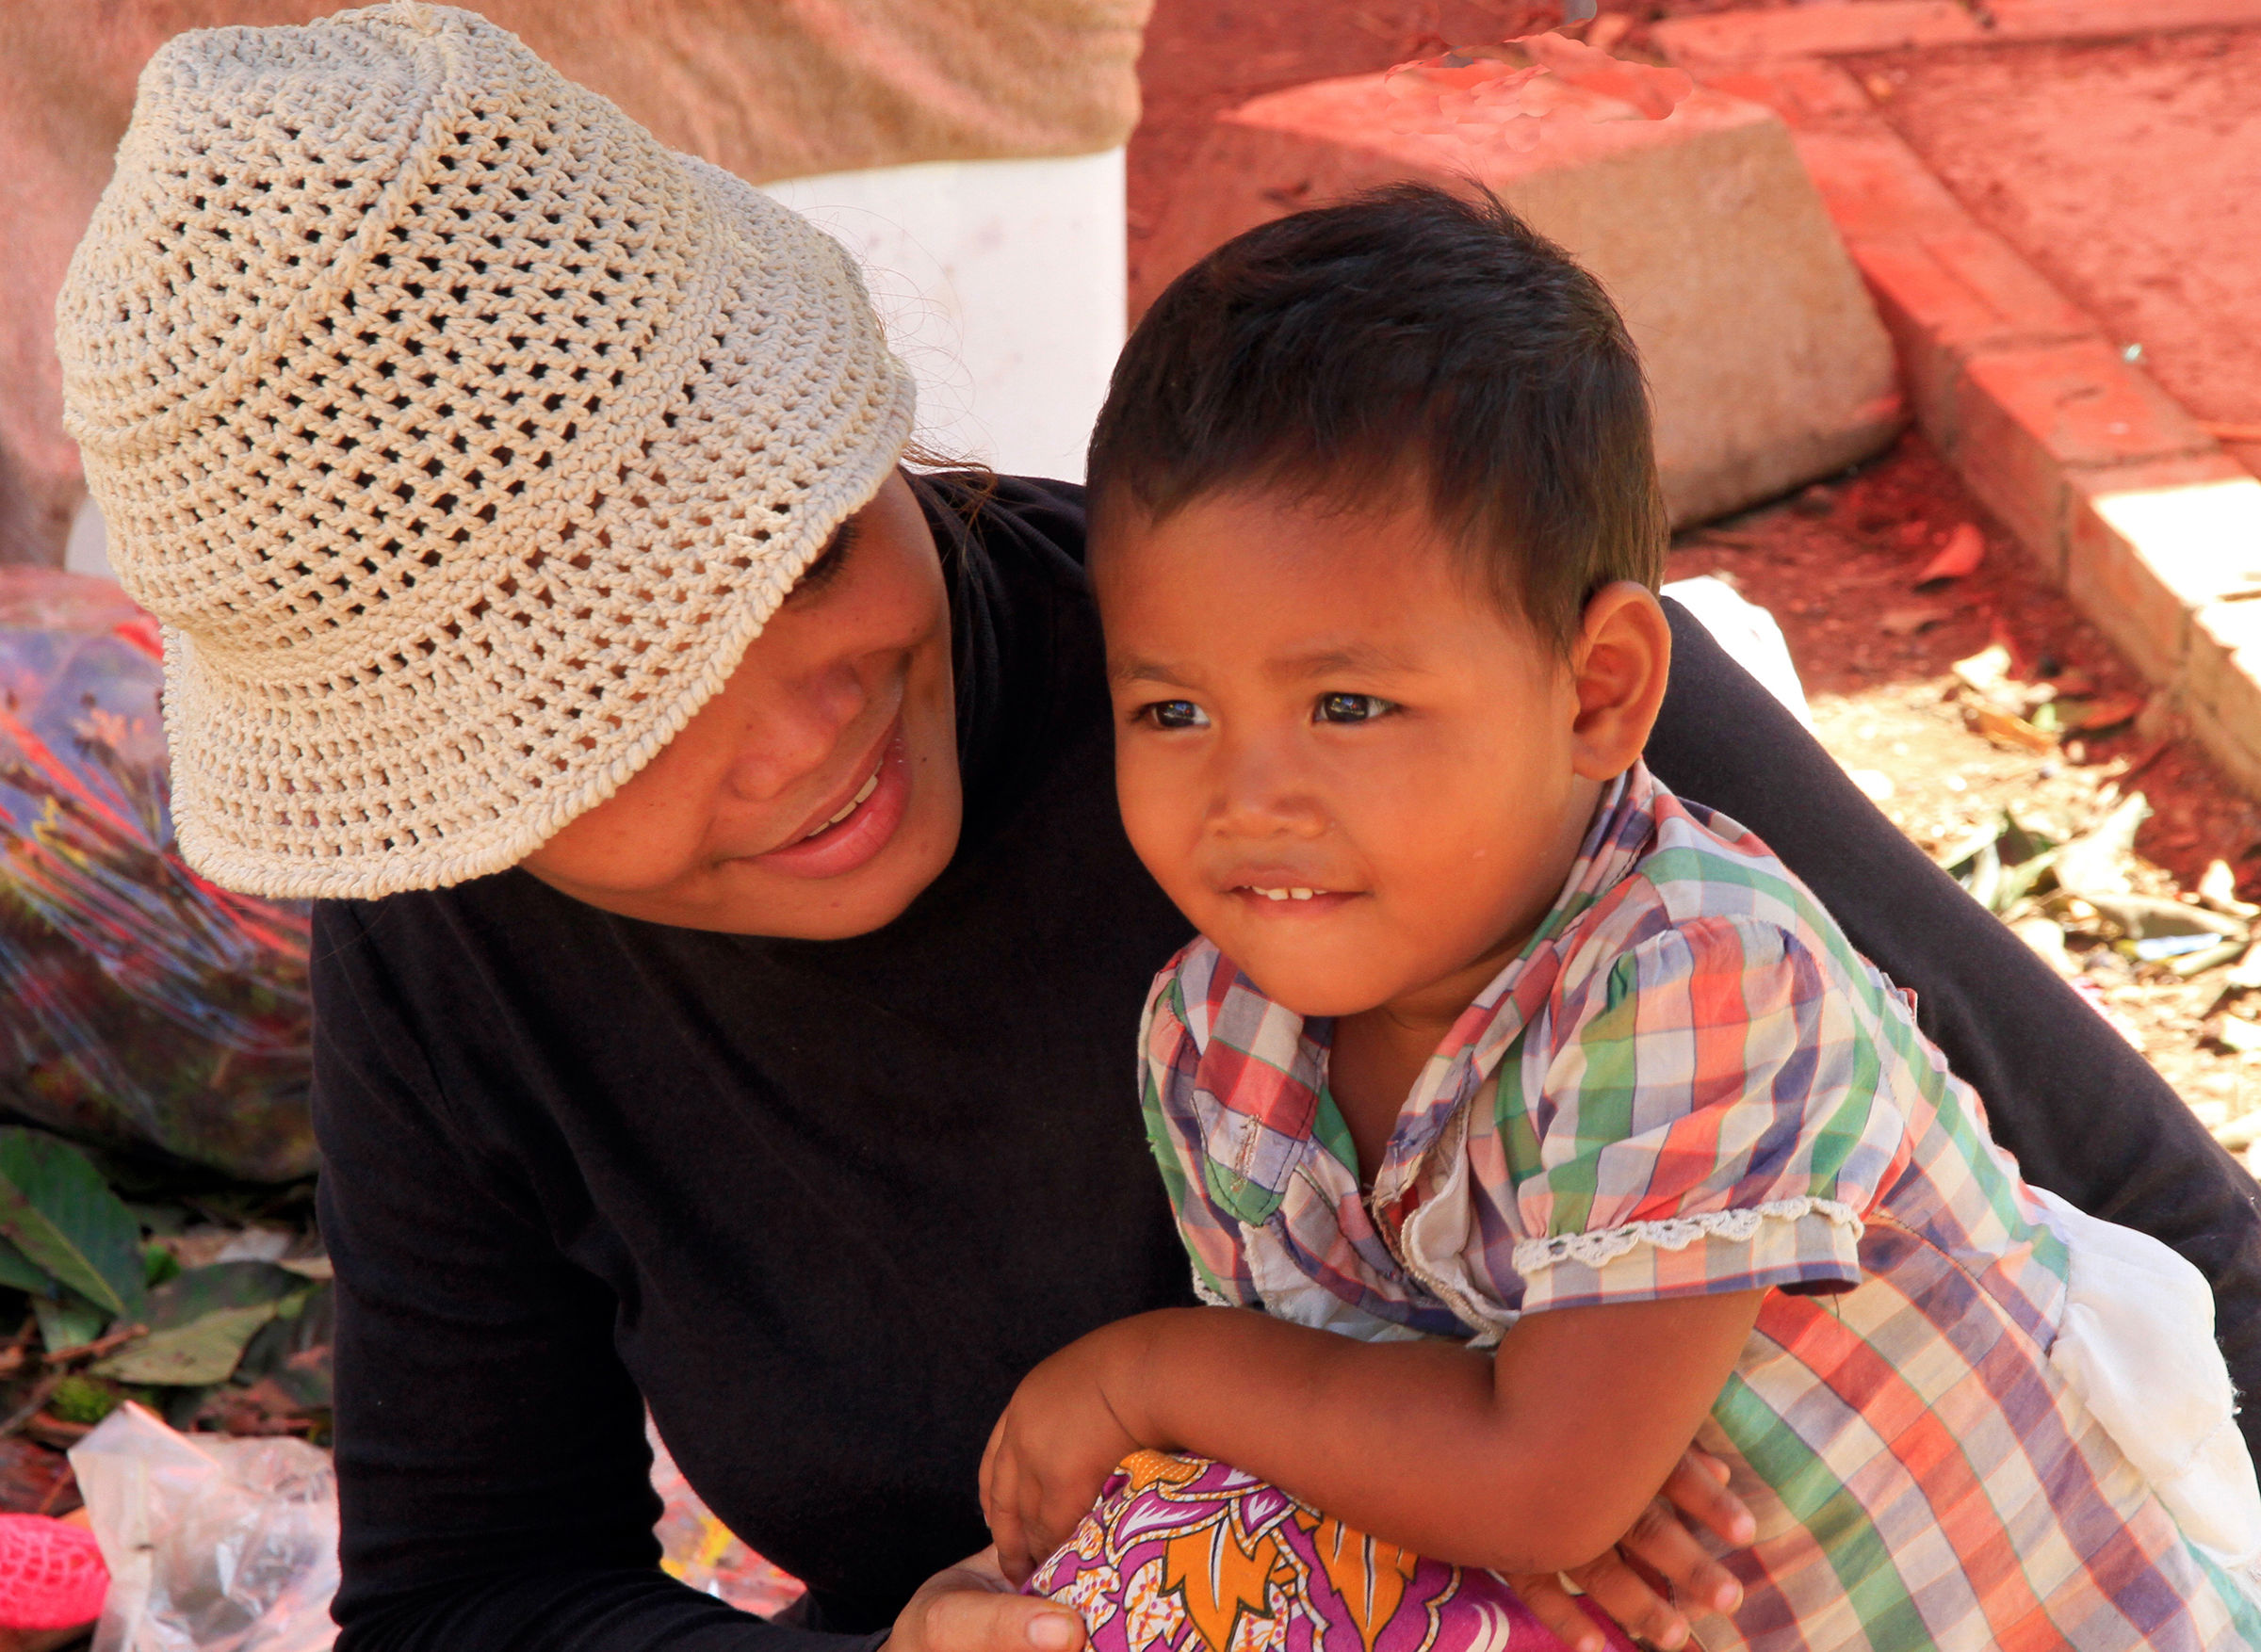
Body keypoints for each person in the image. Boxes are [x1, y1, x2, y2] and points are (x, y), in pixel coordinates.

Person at [51, 8, 2261, 1652]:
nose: (806, 725)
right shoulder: (461, 954)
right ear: (466, 804)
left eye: (810, 555)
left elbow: (2175, 1235)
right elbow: (476, 1588)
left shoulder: (1371, 713)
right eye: (623, 713)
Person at [978, 186, 2261, 1652]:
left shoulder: (1696, 974)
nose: (1247, 795)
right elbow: (1379, 1457)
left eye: (1347, 704)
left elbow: (1530, 1486)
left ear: (1598, 691)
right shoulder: (1213, 1045)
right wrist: (1482, 1457)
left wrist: (1153, 1371)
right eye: (1173, 707)